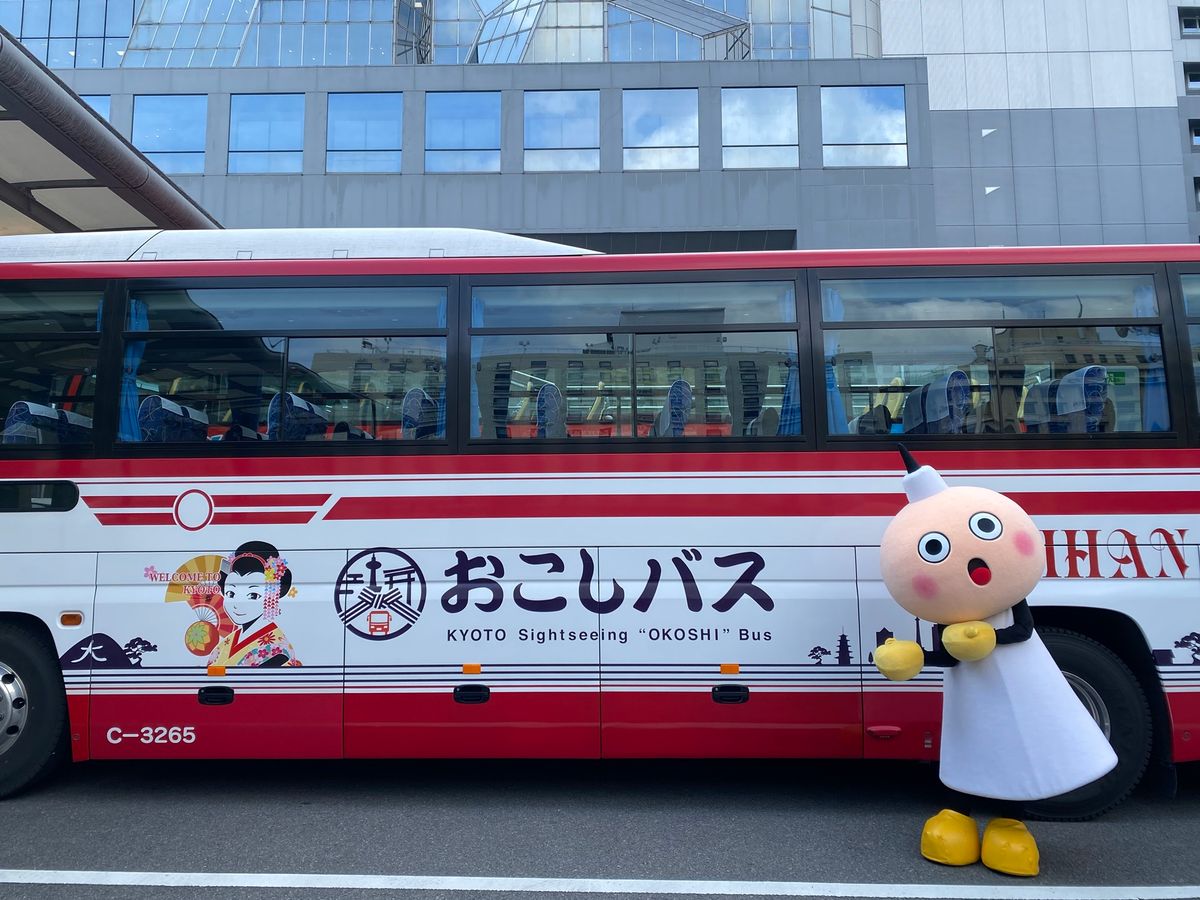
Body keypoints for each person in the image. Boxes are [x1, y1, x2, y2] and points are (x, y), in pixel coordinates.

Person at [873, 447, 1115, 877]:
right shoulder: (948, 618)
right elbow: (949, 657)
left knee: (1013, 749)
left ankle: (1009, 822)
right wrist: (917, 658)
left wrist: (989, 638)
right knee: (969, 751)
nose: (975, 565)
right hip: (970, 699)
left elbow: (1022, 631)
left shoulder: (1009, 602)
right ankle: (958, 815)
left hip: (1017, 691)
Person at [208, 540, 301, 668]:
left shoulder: (277, 652)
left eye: (253, 595)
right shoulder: (227, 643)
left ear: (272, 595)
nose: (237, 604)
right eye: (231, 594)